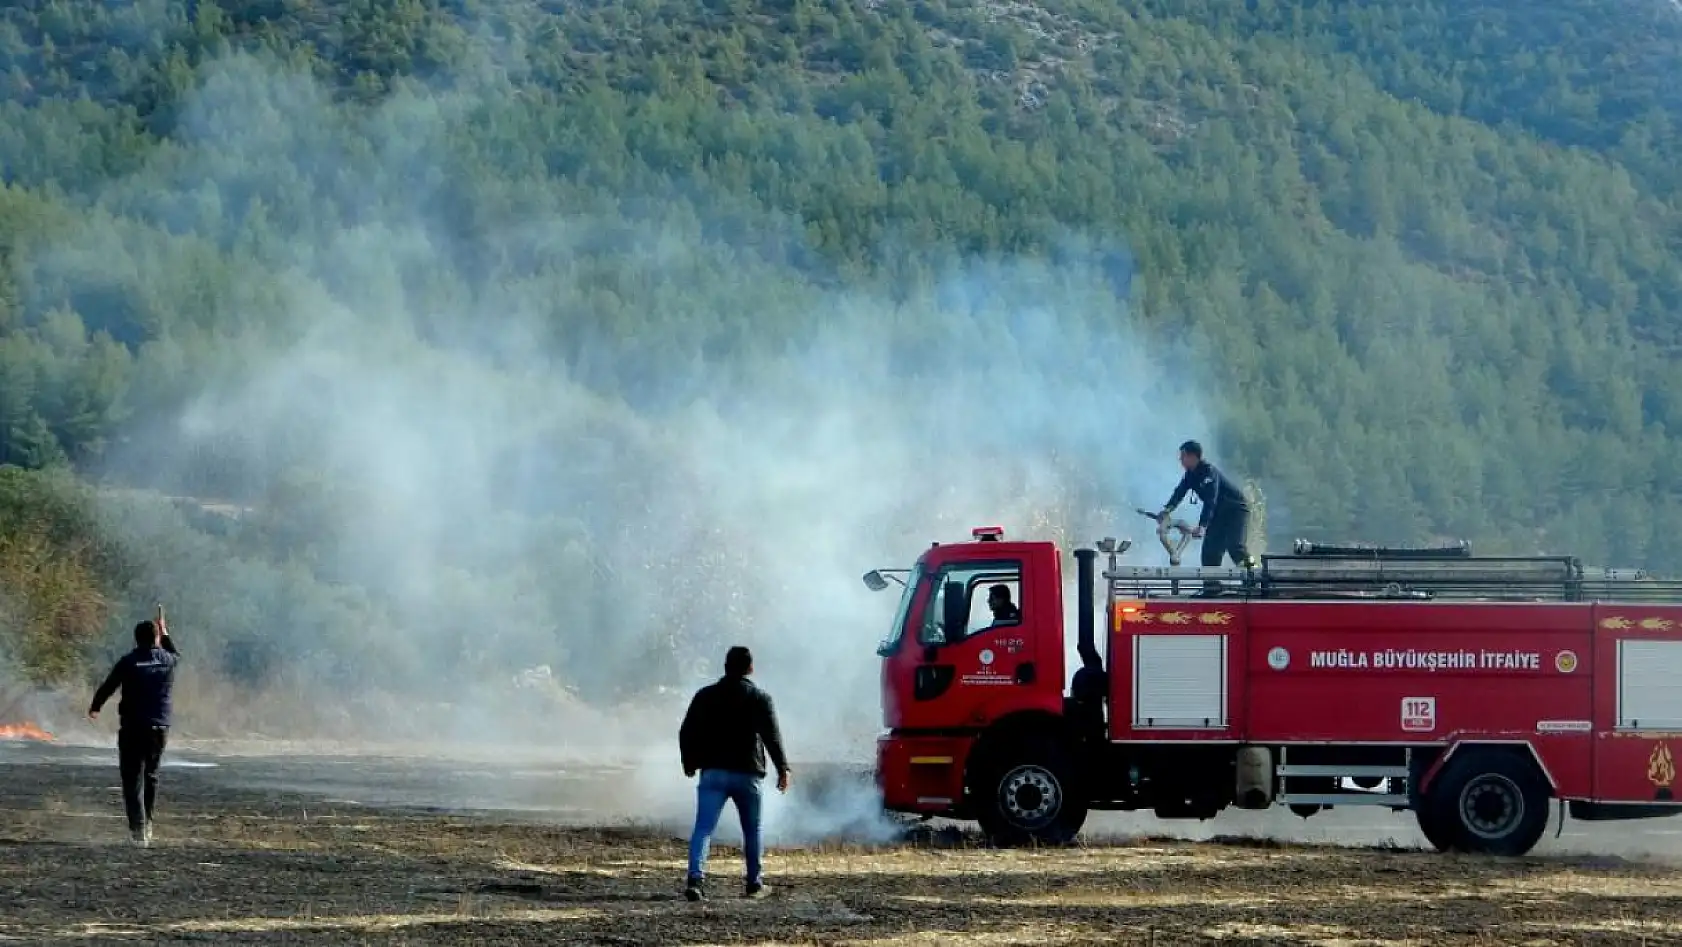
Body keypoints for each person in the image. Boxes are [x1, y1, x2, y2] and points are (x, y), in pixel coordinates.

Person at [678, 645, 791, 902]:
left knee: (703, 829)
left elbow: (687, 732)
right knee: (752, 831)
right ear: (750, 668)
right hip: (747, 774)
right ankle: (754, 884)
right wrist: (783, 768)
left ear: (725, 666)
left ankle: (695, 881)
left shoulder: (705, 696)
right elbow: (771, 736)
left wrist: (690, 762)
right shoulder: (760, 698)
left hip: (713, 773)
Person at [88, 610, 179, 847]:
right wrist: (165, 630)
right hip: (159, 727)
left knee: (131, 779)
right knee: (151, 776)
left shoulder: (128, 662)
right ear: (156, 638)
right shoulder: (167, 660)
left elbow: (109, 685)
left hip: (133, 727)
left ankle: (138, 830)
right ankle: (147, 823)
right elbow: (175, 653)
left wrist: (95, 706)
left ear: (136, 639)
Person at [1161, 440, 1253, 591]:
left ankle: (1253, 578)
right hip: (1218, 514)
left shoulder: (1209, 472)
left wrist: (1202, 526)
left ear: (1193, 456)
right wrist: (1166, 510)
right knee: (1209, 552)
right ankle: (1212, 587)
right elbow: (1179, 492)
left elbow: (1211, 500)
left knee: (1235, 546)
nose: (1180, 460)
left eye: (1183, 456)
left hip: (1236, 511)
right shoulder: (1190, 475)